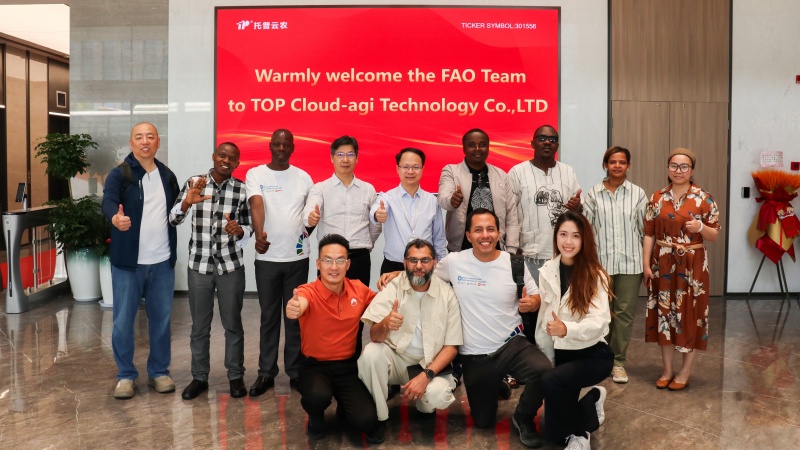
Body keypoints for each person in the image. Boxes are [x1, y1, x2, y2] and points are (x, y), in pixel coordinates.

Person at [379, 208, 551, 448]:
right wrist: (398, 272)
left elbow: (536, 297)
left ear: (498, 233)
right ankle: (496, 384)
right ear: (468, 236)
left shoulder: (514, 263)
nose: (485, 235)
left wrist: (531, 303)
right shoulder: (455, 262)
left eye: (490, 229)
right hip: (475, 355)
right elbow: (424, 271)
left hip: (511, 344)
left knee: (544, 371)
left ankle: (523, 416)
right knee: (483, 421)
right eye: (478, 230)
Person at [101, 122, 180, 399]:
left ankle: (159, 372)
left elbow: (175, 213)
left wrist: (187, 203)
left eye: (150, 137)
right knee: (123, 322)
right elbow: (108, 201)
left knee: (161, 321)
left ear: (158, 142)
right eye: (139, 137)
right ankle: (125, 375)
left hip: (162, 263)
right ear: (131, 143)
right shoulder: (120, 174)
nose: (145, 141)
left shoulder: (167, 175)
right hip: (128, 264)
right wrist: (115, 217)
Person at [169, 142, 252, 400]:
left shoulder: (242, 189)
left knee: (233, 325)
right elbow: (173, 219)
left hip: (230, 266)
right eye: (222, 155)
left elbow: (248, 228)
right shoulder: (195, 183)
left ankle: (235, 376)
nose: (226, 161)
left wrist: (240, 231)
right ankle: (199, 378)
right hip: (200, 266)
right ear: (214, 156)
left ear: (237, 163)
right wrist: (186, 203)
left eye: (232, 158)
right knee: (199, 327)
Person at [285, 234, 383, 444]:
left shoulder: (358, 289)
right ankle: (316, 417)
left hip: (347, 368)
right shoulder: (308, 291)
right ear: (318, 264)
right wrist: (294, 308)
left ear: (348, 264)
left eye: (340, 260)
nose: (334, 267)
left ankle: (345, 408)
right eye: (327, 260)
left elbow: (382, 302)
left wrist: (395, 276)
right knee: (317, 397)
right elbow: (299, 303)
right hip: (315, 367)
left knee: (367, 421)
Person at [358, 239, 461, 435]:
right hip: (397, 360)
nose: (419, 266)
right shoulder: (392, 287)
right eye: (413, 260)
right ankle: (380, 416)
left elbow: (451, 347)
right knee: (371, 354)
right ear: (404, 262)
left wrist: (426, 375)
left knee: (436, 395)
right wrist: (385, 323)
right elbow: (374, 336)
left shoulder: (447, 294)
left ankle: (425, 407)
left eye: (425, 260)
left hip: (429, 363)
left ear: (435, 263)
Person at [534, 211, 613, 450]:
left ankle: (581, 435)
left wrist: (566, 328)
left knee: (551, 381)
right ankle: (593, 399)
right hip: (562, 353)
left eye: (575, 236)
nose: (568, 242)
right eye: (563, 234)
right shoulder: (547, 270)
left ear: (584, 239)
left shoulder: (596, 275)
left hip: (593, 353)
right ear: (556, 237)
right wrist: (545, 355)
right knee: (555, 435)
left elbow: (600, 322)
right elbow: (544, 319)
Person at [643, 148, 719, 391]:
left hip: (692, 264)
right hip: (663, 261)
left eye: (684, 166)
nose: (678, 170)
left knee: (690, 316)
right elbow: (649, 233)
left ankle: (685, 372)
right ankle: (667, 370)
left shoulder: (704, 198)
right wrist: (646, 264)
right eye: (674, 166)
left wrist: (700, 227)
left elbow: (714, 235)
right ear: (668, 169)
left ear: (692, 170)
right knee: (664, 314)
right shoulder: (657, 197)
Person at [245, 129, 313, 396]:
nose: (281, 149)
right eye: (277, 144)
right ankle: (266, 373)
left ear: (293, 147)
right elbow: (257, 204)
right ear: (270, 146)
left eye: (286, 145)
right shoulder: (256, 174)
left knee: (295, 317)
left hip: (297, 258)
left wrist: (305, 234)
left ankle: (295, 372)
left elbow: (310, 216)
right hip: (267, 259)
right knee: (269, 317)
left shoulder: (304, 177)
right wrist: (259, 235)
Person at [582, 147, 647, 384]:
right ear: (605, 165)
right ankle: (601, 360)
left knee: (624, 315)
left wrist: (647, 263)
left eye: (622, 162)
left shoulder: (638, 194)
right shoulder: (593, 194)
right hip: (601, 265)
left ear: (628, 165)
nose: (617, 166)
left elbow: (644, 231)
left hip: (631, 264)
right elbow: (587, 231)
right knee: (601, 314)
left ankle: (618, 362)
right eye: (612, 162)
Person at [302, 135, 381, 286]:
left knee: (359, 299)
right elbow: (309, 210)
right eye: (340, 154)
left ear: (357, 158)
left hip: (359, 257)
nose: (345, 159)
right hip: (330, 258)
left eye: (350, 154)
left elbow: (375, 225)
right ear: (332, 158)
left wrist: (366, 244)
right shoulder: (320, 188)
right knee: (328, 299)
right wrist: (311, 217)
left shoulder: (368, 189)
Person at [508, 125, 582, 281]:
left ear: (557, 146)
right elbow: (510, 213)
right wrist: (512, 248)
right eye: (542, 138)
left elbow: (578, 211)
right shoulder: (517, 172)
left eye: (552, 139)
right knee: (533, 297)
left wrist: (577, 207)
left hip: (563, 254)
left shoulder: (568, 172)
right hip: (529, 254)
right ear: (532, 144)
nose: (547, 142)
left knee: (561, 296)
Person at [438, 128, 519, 253]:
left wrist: (511, 248)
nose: (477, 149)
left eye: (482, 145)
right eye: (471, 145)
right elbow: (443, 199)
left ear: (488, 148)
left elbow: (511, 215)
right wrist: (451, 201)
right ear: (464, 148)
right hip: (461, 249)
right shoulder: (451, 171)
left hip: (495, 249)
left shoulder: (501, 176)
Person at [370, 148, 447, 274]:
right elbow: (376, 209)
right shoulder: (387, 197)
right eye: (405, 167)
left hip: (424, 266)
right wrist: (377, 214)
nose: (410, 171)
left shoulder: (432, 201)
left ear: (422, 169)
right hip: (393, 265)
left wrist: (441, 266)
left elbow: (439, 238)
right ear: (397, 169)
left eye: (415, 167)